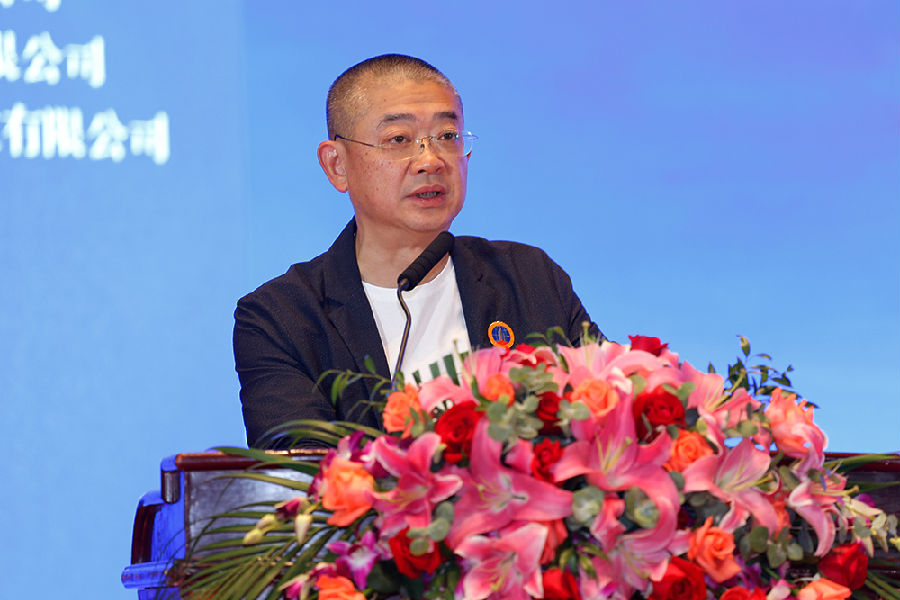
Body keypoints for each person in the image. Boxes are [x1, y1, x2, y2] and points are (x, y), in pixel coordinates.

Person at [234, 54, 599, 448]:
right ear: (337, 165)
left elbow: (610, 412)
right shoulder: (282, 317)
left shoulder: (528, 277)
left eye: (447, 136)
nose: (430, 160)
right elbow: (302, 471)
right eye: (399, 140)